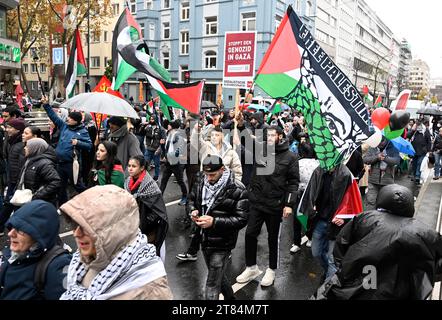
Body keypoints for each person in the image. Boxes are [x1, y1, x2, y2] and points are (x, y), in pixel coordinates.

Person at [322, 184, 442, 300]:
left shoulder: (365, 219)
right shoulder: (425, 233)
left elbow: (341, 246)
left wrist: (348, 269)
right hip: (400, 293)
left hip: (360, 286)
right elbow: (436, 266)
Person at [59, 185, 173, 300]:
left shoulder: (151, 290)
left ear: (112, 231)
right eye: (75, 224)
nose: (76, 233)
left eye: (85, 227)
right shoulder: (82, 262)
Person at [236, 125, 299, 287]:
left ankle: (271, 269)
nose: (269, 138)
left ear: (279, 136)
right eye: (267, 135)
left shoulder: (290, 157)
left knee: (273, 239)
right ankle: (251, 267)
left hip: (275, 205)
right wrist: (241, 125)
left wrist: (289, 204)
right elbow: (245, 140)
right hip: (257, 202)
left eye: (272, 135)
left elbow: (293, 183)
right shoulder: (261, 148)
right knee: (250, 234)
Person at [188, 155, 248, 300]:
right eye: (206, 174)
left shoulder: (238, 189)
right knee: (217, 275)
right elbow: (191, 199)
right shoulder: (200, 179)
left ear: (222, 169)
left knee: (212, 284)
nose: (208, 178)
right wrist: (192, 210)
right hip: (204, 238)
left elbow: (242, 219)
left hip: (223, 242)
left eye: (212, 174)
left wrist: (214, 222)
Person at [0, 200, 72, 300]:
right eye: (12, 227)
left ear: (39, 234)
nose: (10, 234)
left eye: (20, 230)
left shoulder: (57, 265)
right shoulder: (11, 255)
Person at [42, 98, 93, 205]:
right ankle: (62, 206)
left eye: (70, 118)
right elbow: (54, 117)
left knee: (77, 185)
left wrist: (78, 143)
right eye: (68, 117)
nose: (68, 119)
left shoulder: (83, 131)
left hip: (72, 164)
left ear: (76, 121)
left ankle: (90, 202)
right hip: (60, 163)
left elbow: (89, 146)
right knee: (60, 186)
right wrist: (46, 105)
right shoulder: (64, 126)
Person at [125, 155, 168, 257]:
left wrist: (145, 222)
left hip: (148, 229)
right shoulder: (127, 182)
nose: (130, 168)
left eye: (134, 166)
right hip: (132, 227)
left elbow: (158, 211)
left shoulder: (150, 186)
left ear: (142, 168)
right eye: (129, 165)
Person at [0, 118, 26, 235]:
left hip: (17, 181)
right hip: (12, 179)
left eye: (10, 127)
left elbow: (20, 165)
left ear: (18, 130)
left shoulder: (21, 144)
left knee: (12, 204)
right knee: (10, 204)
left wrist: (16, 182)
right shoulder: (12, 141)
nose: (7, 129)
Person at [18, 138, 61, 205]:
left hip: (41, 203)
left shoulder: (45, 164)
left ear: (35, 148)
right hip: (31, 201)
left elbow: (55, 182)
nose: (24, 148)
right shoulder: (29, 160)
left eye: (27, 146)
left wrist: (37, 196)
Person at [362, 137, 400, 211]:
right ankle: (370, 220)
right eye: (378, 143)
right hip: (373, 180)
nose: (379, 145)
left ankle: (382, 221)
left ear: (385, 141)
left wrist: (385, 158)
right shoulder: (373, 146)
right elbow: (365, 159)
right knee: (371, 202)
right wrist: (377, 157)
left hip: (387, 182)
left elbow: (396, 161)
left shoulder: (393, 147)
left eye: (381, 144)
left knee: (385, 204)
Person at [160, 120, 188, 206]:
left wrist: (168, 156)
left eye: (168, 125)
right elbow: (166, 148)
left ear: (171, 126)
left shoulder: (178, 136)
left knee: (180, 181)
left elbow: (177, 151)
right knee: (163, 180)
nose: (167, 126)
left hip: (177, 163)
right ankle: (159, 197)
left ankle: (185, 196)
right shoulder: (169, 135)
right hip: (169, 163)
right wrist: (162, 145)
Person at [408, 119, 432, 185]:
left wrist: (429, 150)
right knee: (414, 163)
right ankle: (415, 175)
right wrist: (412, 130)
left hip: (422, 150)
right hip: (414, 150)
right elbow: (408, 136)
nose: (418, 125)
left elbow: (429, 141)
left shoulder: (426, 130)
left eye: (419, 124)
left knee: (419, 163)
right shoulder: (414, 130)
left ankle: (417, 176)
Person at [144, 116, 166, 181]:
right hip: (148, 149)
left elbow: (163, 140)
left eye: (153, 119)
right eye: (150, 119)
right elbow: (143, 135)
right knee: (145, 163)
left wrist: (159, 149)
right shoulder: (148, 127)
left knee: (157, 164)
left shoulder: (161, 129)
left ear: (156, 120)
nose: (151, 120)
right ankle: (144, 177)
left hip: (156, 150)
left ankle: (156, 177)